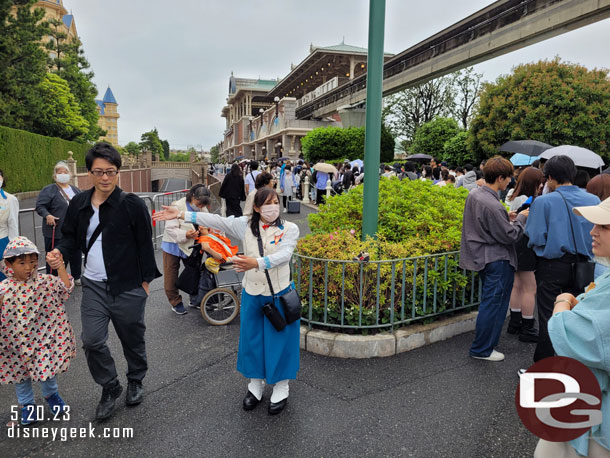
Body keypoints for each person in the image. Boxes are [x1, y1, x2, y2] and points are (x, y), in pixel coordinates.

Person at [153, 188, 300, 415]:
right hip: (252, 292)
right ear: (257, 208)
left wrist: (257, 263)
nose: (273, 207)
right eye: (267, 203)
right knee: (252, 341)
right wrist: (182, 215)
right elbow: (216, 220)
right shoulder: (245, 225)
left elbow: (285, 255)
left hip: (278, 293)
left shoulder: (290, 229)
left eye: (275, 202)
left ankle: (282, 386)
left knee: (280, 340)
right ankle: (255, 385)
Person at [47, 143, 161, 421]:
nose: (105, 177)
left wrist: (144, 286)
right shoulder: (79, 203)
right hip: (94, 285)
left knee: (132, 339)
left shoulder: (132, 204)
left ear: (118, 172)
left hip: (128, 286)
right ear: (89, 173)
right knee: (92, 340)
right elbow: (70, 236)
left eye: (110, 171)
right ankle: (110, 386)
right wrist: (60, 251)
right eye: (99, 172)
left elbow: (145, 246)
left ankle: (135, 378)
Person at [534, 197, 610, 458]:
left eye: (605, 227)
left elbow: (569, 332)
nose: (592, 231)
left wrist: (563, 302)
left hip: (592, 411)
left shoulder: (543, 201)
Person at [525, 155, 599, 362]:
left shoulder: (543, 202)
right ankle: (577, 364)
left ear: (549, 178)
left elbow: (535, 236)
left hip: (552, 265)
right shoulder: (593, 200)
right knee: (578, 315)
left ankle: (544, 364)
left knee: (549, 316)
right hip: (585, 265)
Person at [459, 156, 529, 361]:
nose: (510, 182)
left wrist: (506, 217)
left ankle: (484, 346)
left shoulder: (477, 194)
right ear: (500, 178)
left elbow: (486, 223)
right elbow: (511, 236)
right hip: (497, 259)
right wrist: (522, 219)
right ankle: (482, 349)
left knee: (491, 303)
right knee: (494, 304)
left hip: (483, 257)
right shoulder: (492, 204)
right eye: (508, 178)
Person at [0, 237, 75, 425]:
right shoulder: (3, 289)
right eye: (22, 263)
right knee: (19, 374)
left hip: (42, 339)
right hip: (14, 343)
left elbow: (65, 288)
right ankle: (27, 406)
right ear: (8, 264)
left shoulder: (45, 282)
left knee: (47, 368)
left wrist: (60, 268)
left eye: (33, 262)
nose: (28, 267)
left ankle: (52, 396)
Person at [505, 167, 544, 342]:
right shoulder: (529, 201)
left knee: (517, 286)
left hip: (514, 243)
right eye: (539, 182)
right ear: (534, 183)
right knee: (530, 288)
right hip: (525, 243)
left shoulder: (513, 196)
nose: (542, 185)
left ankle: (514, 322)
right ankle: (527, 327)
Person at [161, 184, 211, 315]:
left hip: (191, 245)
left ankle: (194, 299)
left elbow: (209, 222)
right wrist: (185, 235)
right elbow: (170, 229)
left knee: (194, 272)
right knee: (171, 275)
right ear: (192, 196)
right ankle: (176, 302)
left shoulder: (203, 208)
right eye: (198, 203)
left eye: (203, 205)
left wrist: (206, 230)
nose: (200, 207)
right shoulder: (177, 206)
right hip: (172, 244)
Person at [35, 161, 82, 284]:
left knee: (76, 254)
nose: (62, 174)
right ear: (55, 175)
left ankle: (76, 276)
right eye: (59, 172)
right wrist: (47, 215)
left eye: (65, 172)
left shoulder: (76, 190)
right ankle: (52, 280)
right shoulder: (49, 190)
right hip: (56, 230)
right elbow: (40, 206)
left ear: (70, 174)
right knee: (55, 256)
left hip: (74, 231)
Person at [0, 169, 18, 282]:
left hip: (2, 244)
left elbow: (13, 226)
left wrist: (14, 249)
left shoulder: (10, 199)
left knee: (5, 281)